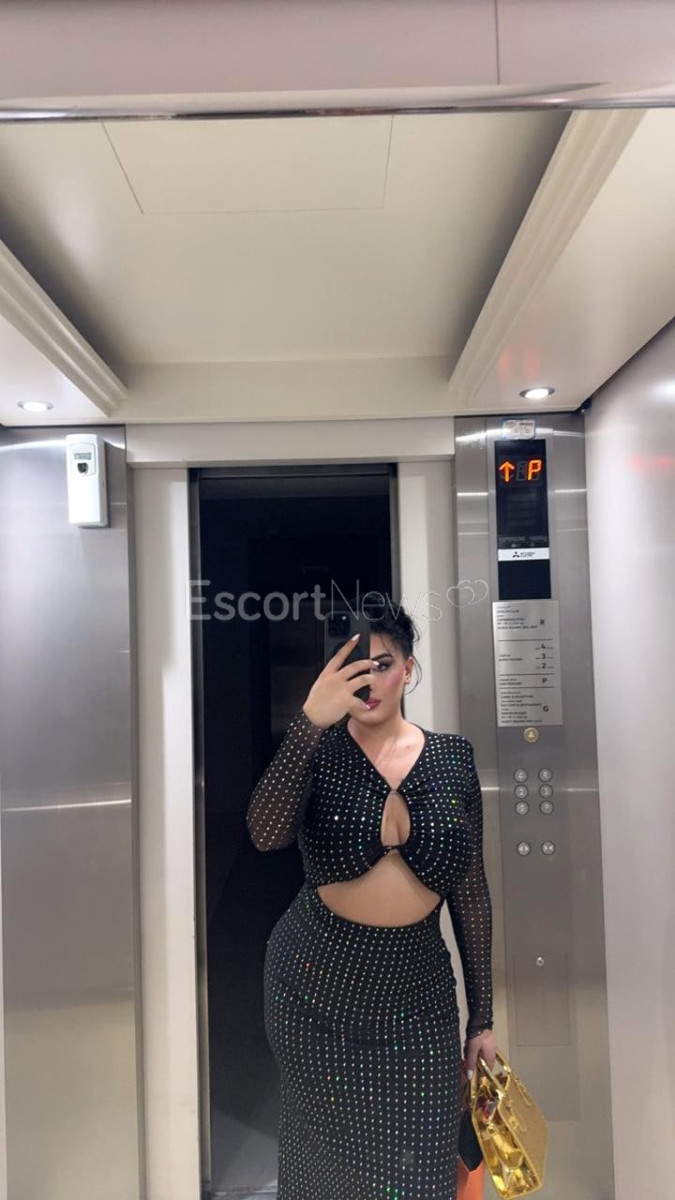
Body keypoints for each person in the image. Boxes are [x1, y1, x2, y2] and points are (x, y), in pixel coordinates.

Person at [246, 601, 495, 1199]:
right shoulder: (319, 753)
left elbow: (471, 893)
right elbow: (265, 833)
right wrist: (309, 721)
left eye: (382, 664)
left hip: (418, 1000)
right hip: (313, 994)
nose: (368, 680)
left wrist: (481, 1018)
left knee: (422, 1174)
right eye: (353, 667)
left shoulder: (453, 758)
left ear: (408, 669)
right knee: (325, 1177)